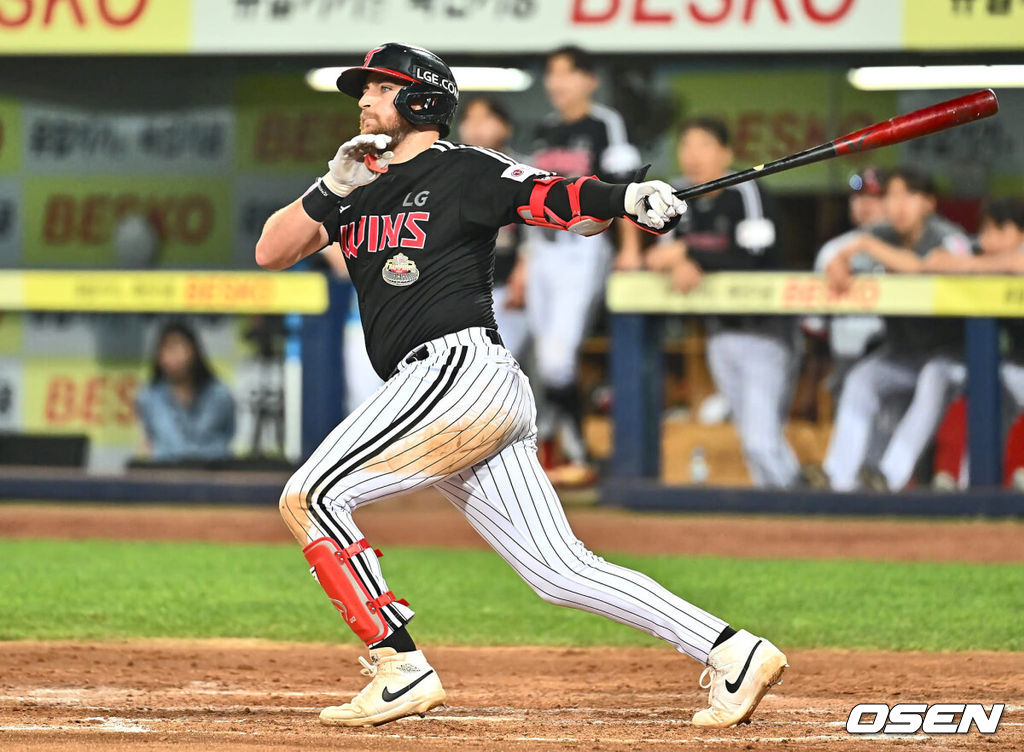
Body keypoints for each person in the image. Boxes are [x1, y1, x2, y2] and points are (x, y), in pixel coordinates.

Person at [255, 42, 786, 730]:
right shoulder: (355, 185)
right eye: (363, 90)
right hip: (457, 392)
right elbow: (272, 250)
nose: (363, 100)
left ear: (421, 102)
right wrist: (334, 186)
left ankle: (399, 665)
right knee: (559, 570)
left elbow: (549, 195)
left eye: (380, 89)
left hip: (455, 372)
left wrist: (626, 197)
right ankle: (733, 650)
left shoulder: (461, 169)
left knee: (312, 494)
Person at [645, 118, 800, 489]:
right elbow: (659, 258)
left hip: (768, 333)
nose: (693, 155)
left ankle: (792, 507)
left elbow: (751, 259)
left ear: (726, 153)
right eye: (687, 145)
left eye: (704, 145)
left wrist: (689, 252)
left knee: (761, 441)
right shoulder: (676, 194)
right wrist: (681, 258)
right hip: (718, 332)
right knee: (755, 437)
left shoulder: (746, 191)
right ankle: (795, 503)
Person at [527, 45, 644, 484]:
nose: (557, 82)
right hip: (540, 249)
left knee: (558, 360)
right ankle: (559, 451)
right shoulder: (545, 129)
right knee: (545, 360)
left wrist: (630, 248)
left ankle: (573, 449)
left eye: (567, 73)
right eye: (552, 73)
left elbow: (625, 187)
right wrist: (523, 260)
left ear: (589, 80)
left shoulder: (604, 124)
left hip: (583, 247)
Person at [821, 167, 972, 491]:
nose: (899, 205)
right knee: (861, 379)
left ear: (929, 203)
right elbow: (838, 258)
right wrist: (840, 262)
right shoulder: (878, 234)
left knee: (934, 377)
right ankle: (838, 479)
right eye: (891, 196)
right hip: (904, 352)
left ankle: (889, 476)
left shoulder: (949, 236)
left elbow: (925, 266)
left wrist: (866, 245)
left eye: (910, 195)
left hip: (955, 356)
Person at [874, 197, 1024, 491]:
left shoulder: (1002, 258)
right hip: (1009, 364)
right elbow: (933, 261)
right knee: (966, 386)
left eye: (997, 230)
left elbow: (1019, 262)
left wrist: (967, 264)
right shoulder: (979, 252)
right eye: (985, 230)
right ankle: (901, 477)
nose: (987, 238)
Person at [457, 96, 530, 361]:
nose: (475, 127)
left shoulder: (523, 171)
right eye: (469, 119)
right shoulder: (451, 171)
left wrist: (526, 270)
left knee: (504, 366)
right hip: (463, 287)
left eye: (485, 118)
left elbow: (538, 231)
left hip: (509, 284)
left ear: (505, 127)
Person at [135, 320, 236, 462]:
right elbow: (148, 442)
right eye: (168, 348)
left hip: (213, 474)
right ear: (158, 355)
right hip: (164, 475)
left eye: (179, 347)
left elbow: (227, 436)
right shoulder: (148, 398)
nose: (174, 356)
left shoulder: (220, 395)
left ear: (194, 351)